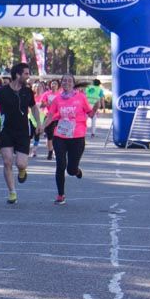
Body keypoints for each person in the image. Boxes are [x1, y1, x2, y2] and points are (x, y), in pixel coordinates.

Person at [0, 63, 41, 205]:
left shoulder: (28, 92)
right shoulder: (2, 92)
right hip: (6, 131)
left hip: (23, 132)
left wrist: (39, 123)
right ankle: (12, 192)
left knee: (21, 163)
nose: (28, 76)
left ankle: (22, 170)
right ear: (18, 75)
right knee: (7, 161)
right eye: (26, 74)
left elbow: (34, 108)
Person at [46, 74, 94, 205]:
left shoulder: (81, 97)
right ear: (61, 83)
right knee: (60, 164)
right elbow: (50, 116)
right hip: (60, 136)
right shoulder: (57, 99)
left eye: (69, 80)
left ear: (73, 83)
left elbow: (90, 113)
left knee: (71, 170)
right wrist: (41, 127)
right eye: (64, 80)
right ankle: (60, 194)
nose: (66, 82)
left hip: (77, 137)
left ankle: (76, 170)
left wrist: (94, 109)